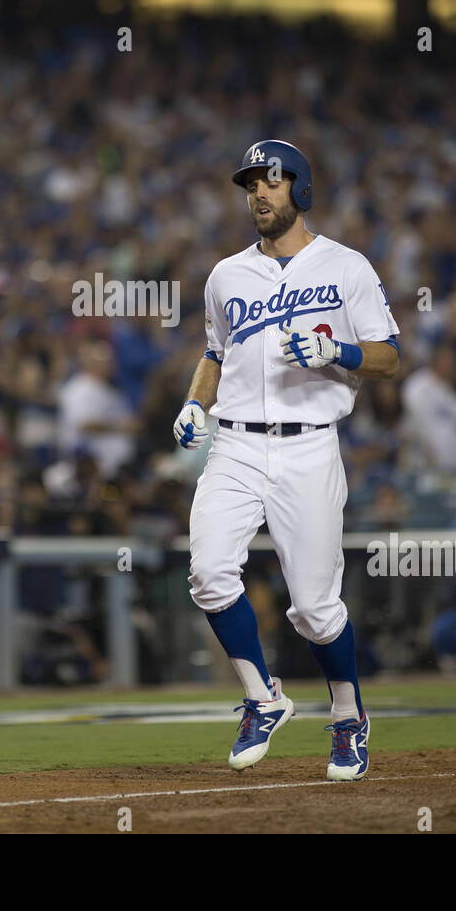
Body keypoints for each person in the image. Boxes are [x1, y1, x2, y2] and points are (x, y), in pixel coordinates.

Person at [172, 140, 400, 781]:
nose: (259, 194)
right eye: (251, 185)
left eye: (271, 181)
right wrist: (195, 405)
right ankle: (262, 697)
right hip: (236, 442)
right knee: (210, 572)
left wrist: (338, 349)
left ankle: (349, 717)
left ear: (300, 189)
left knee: (315, 610)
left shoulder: (346, 267)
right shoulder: (226, 275)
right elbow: (215, 353)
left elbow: (388, 356)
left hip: (309, 445)